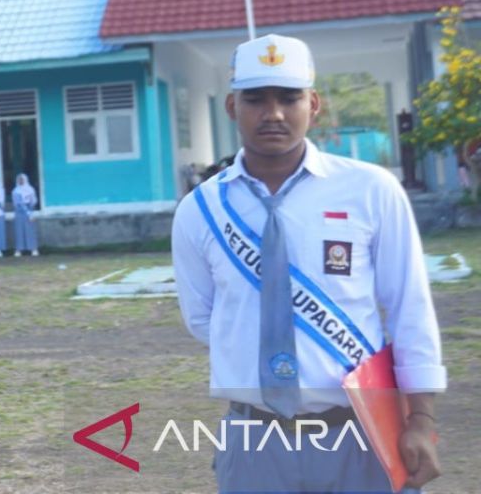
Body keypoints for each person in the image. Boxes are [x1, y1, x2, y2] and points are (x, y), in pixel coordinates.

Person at [171, 34, 445, 493]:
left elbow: (410, 309)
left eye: (289, 98)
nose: (273, 113)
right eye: (255, 99)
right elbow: (205, 320)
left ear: (314, 104)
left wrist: (420, 419)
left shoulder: (370, 190)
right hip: (255, 439)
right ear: (232, 108)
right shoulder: (200, 211)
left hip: (363, 432)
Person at [11, 173, 39, 257]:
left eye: (22, 179)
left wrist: (29, 208)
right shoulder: (15, 191)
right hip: (19, 212)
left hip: (29, 211)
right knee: (19, 230)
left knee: (30, 230)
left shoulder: (30, 189)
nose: (20, 181)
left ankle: (33, 249)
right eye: (19, 179)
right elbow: (16, 203)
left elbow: (34, 200)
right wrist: (22, 207)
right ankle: (19, 250)